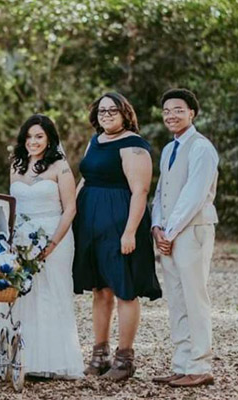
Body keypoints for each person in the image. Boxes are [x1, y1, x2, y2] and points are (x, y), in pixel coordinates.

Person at [0, 114, 85, 379]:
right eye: (29, 137)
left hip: (54, 236)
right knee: (20, 296)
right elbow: (10, 208)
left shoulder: (61, 167)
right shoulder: (16, 165)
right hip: (21, 239)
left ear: (49, 139)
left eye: (39, 137)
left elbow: (70, 208)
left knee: (50, 295)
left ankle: (50, 361)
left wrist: (53, 242)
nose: (33, 142)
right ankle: (18, 355)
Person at [72, 92, 162, 382]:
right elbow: (84, 179)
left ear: (125, 113)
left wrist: (129, 232)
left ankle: (125, 359)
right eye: (101, 111)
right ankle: (99, 355)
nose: (106, 115)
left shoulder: (134, 145)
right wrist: (72, 214)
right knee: (100, 290)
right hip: (90, 223)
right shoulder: (94, 142)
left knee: (124, 289)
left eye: (112, 110)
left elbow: (140, 191)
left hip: (120, 222)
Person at [151, 89, 218, 388]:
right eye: (166, 110)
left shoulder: (201, 148)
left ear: (192, 113)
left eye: (178, 109)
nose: (171, 115)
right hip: (169, 233)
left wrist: (171, 231)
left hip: (193, 230)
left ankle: (200, 365)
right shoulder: (168, 149)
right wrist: (156, 227)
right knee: (177, 300)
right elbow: (160, 193)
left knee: (194, 297)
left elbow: (194, 196)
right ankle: (182, 364)